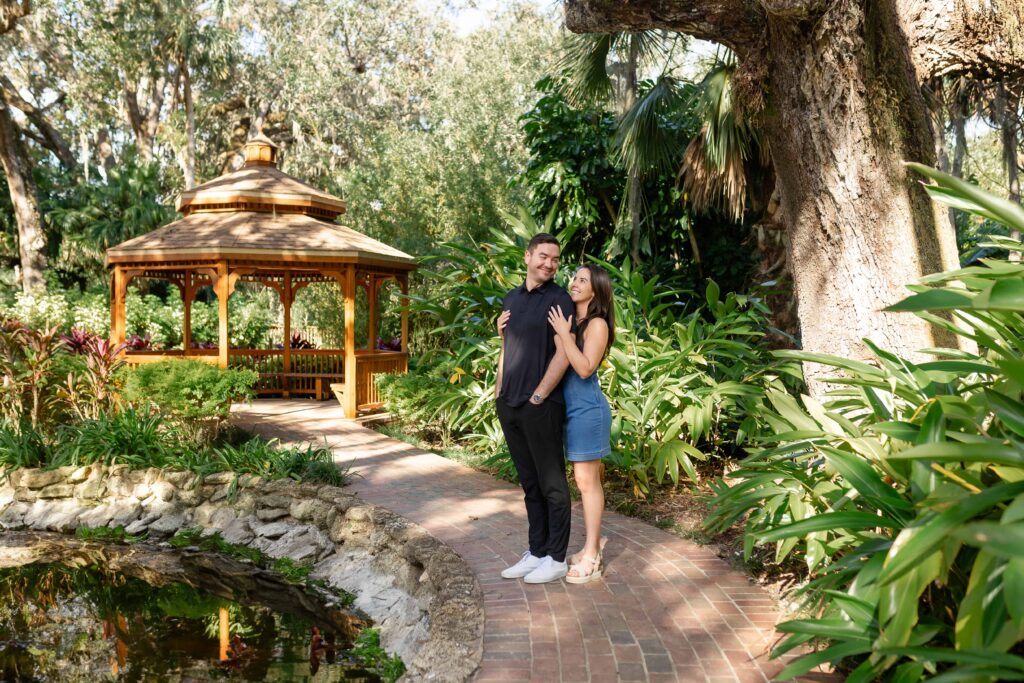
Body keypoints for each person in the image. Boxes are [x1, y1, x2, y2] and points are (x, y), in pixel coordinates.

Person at [494, 233, 576, 584]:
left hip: (540, 406)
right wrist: (498, 392)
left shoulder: (559, 300)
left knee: (552, 485)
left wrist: (540, 396)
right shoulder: (512, 297)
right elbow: (507, 346)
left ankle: (556, 557)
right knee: (530, 485)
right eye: (543, 256)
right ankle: (537, 551)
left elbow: (563, 353)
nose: (549, 264)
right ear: (528, 257)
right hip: (509, 405)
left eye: (555, 259)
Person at [546, 264, 614, 584]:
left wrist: (564, 334)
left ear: (596, 290)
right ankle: (593, 544)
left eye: (582, 280)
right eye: (574, 277)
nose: (574, 283)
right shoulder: (576, 321)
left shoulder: (597, 324)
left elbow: (586, 368)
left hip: (588, 411)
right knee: (585, 481)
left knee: (587, 483)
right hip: (571, 410)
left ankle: (592, 556)